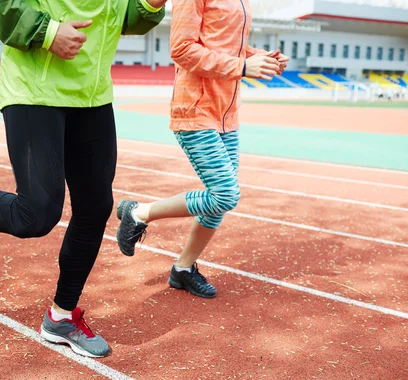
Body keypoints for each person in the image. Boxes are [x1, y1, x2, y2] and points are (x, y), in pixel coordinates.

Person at [0, 0, 166, 358]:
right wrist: (47, 31)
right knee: (36, 214)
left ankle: (62, 316)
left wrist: (149, 5)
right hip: (36, 89)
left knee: (96, 206)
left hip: (92, 92)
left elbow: (117, 15)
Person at [116, 0, 289, 299]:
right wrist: (243, 67)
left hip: (227, 115)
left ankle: (183, 269)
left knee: (220, 201)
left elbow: (228, 46)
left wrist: (261, 57)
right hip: (195, 110)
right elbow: (182, 48)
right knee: (225, 194)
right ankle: (138, 212)